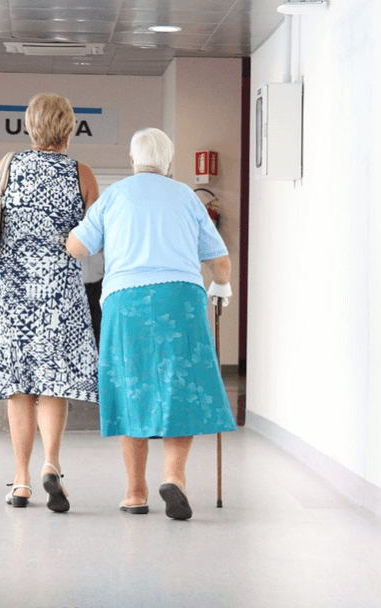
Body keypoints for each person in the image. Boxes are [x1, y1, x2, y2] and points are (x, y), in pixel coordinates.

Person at [66, 127, 236, 520]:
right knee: (180, 386)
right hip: (181, 299)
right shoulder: (186, 197)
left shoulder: (114, 196)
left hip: (126, 303)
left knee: (131, 388)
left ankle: (135, 493)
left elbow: (78, 246)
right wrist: (221, 286)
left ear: (132, 161)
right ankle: (174, 478)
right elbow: (219, 260)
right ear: (170, 163)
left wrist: (77, 232)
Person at [0, 93, 100, 512]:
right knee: (53, 382)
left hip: (11, 291)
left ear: (29, 127)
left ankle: (21, 481)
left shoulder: (8, 167)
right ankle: (51, 465)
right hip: (59, 291)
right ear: (70, 128)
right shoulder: (82, 173)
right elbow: (94, 239)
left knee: (18, 385)